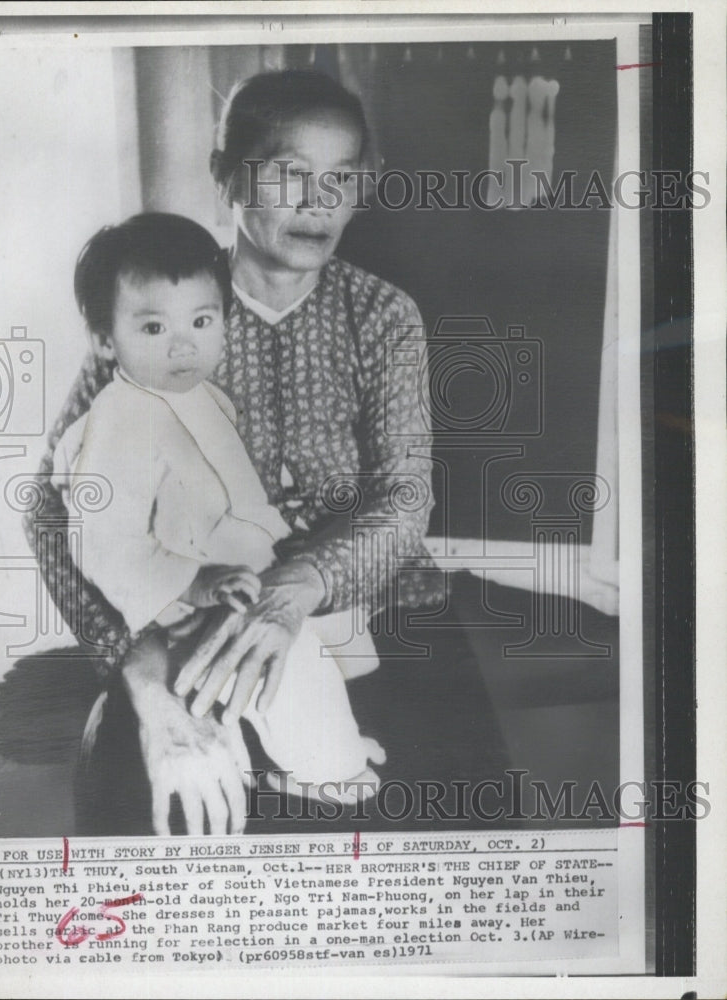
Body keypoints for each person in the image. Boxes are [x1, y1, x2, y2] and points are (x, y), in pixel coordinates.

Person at [26, 68, 507, 837]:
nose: (320, 203)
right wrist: (144, 675)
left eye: (342, 179)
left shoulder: (382, 314)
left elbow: (404, 499)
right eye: (290, 175)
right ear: (227, 178)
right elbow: (53, 510)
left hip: (379, 616)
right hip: (188, 623)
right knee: (161, 822)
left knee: (461, 820)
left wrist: (293, 595)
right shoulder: (158, 304)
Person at [51, 213, 384, 824]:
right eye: (153, 326)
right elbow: (106, 547)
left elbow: (221, 481)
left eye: (202, 321)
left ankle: (306, 746)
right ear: (105, 340)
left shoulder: (198, 392)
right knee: (292, 673)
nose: (184, 344)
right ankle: (320, 769)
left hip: (239, 566)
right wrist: (197, 582)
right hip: (190, 601)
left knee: (323, 643)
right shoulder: (120, 423)